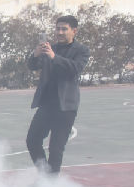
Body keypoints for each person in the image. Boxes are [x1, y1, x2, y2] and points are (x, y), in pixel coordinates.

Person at [25, 15, 90, 174]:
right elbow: (33, 66)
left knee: (56, 148)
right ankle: (45, 175)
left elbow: (75, 69)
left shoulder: (81, 50)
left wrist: (54, 57)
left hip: (66, 106)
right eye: (57, 29)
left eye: (64, 29)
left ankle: (51, 183)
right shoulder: (50, 48)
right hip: (46, 104)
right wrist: (35, 55)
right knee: (32, 140)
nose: (59, 32)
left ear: (74, 31)